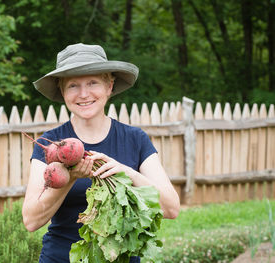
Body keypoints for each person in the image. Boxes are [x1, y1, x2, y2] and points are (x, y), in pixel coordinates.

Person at [22, 43, 180, 263]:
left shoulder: (135, 139)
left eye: (93, 82)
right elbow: (31, 220)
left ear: (109, 86)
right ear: (62, 91)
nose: (83, 94)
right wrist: (71, 178)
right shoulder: (49, 146)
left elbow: (171, 208)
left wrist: (128, 173)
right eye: (73, 85)